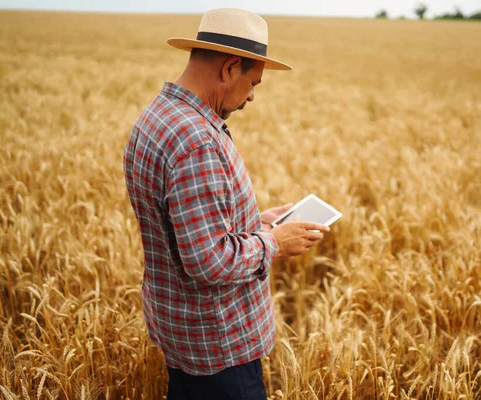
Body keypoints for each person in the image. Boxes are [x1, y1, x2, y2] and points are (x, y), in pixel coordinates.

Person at [122, 8, 330, 400]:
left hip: (184, 333)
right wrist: (275, 243)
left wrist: (256, 221)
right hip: (219, 345)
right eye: (253, 82)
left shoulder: (158, 116)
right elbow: (208, 259)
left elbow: (187, 223)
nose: (252, 94)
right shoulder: (197, 140)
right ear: (230, 67)